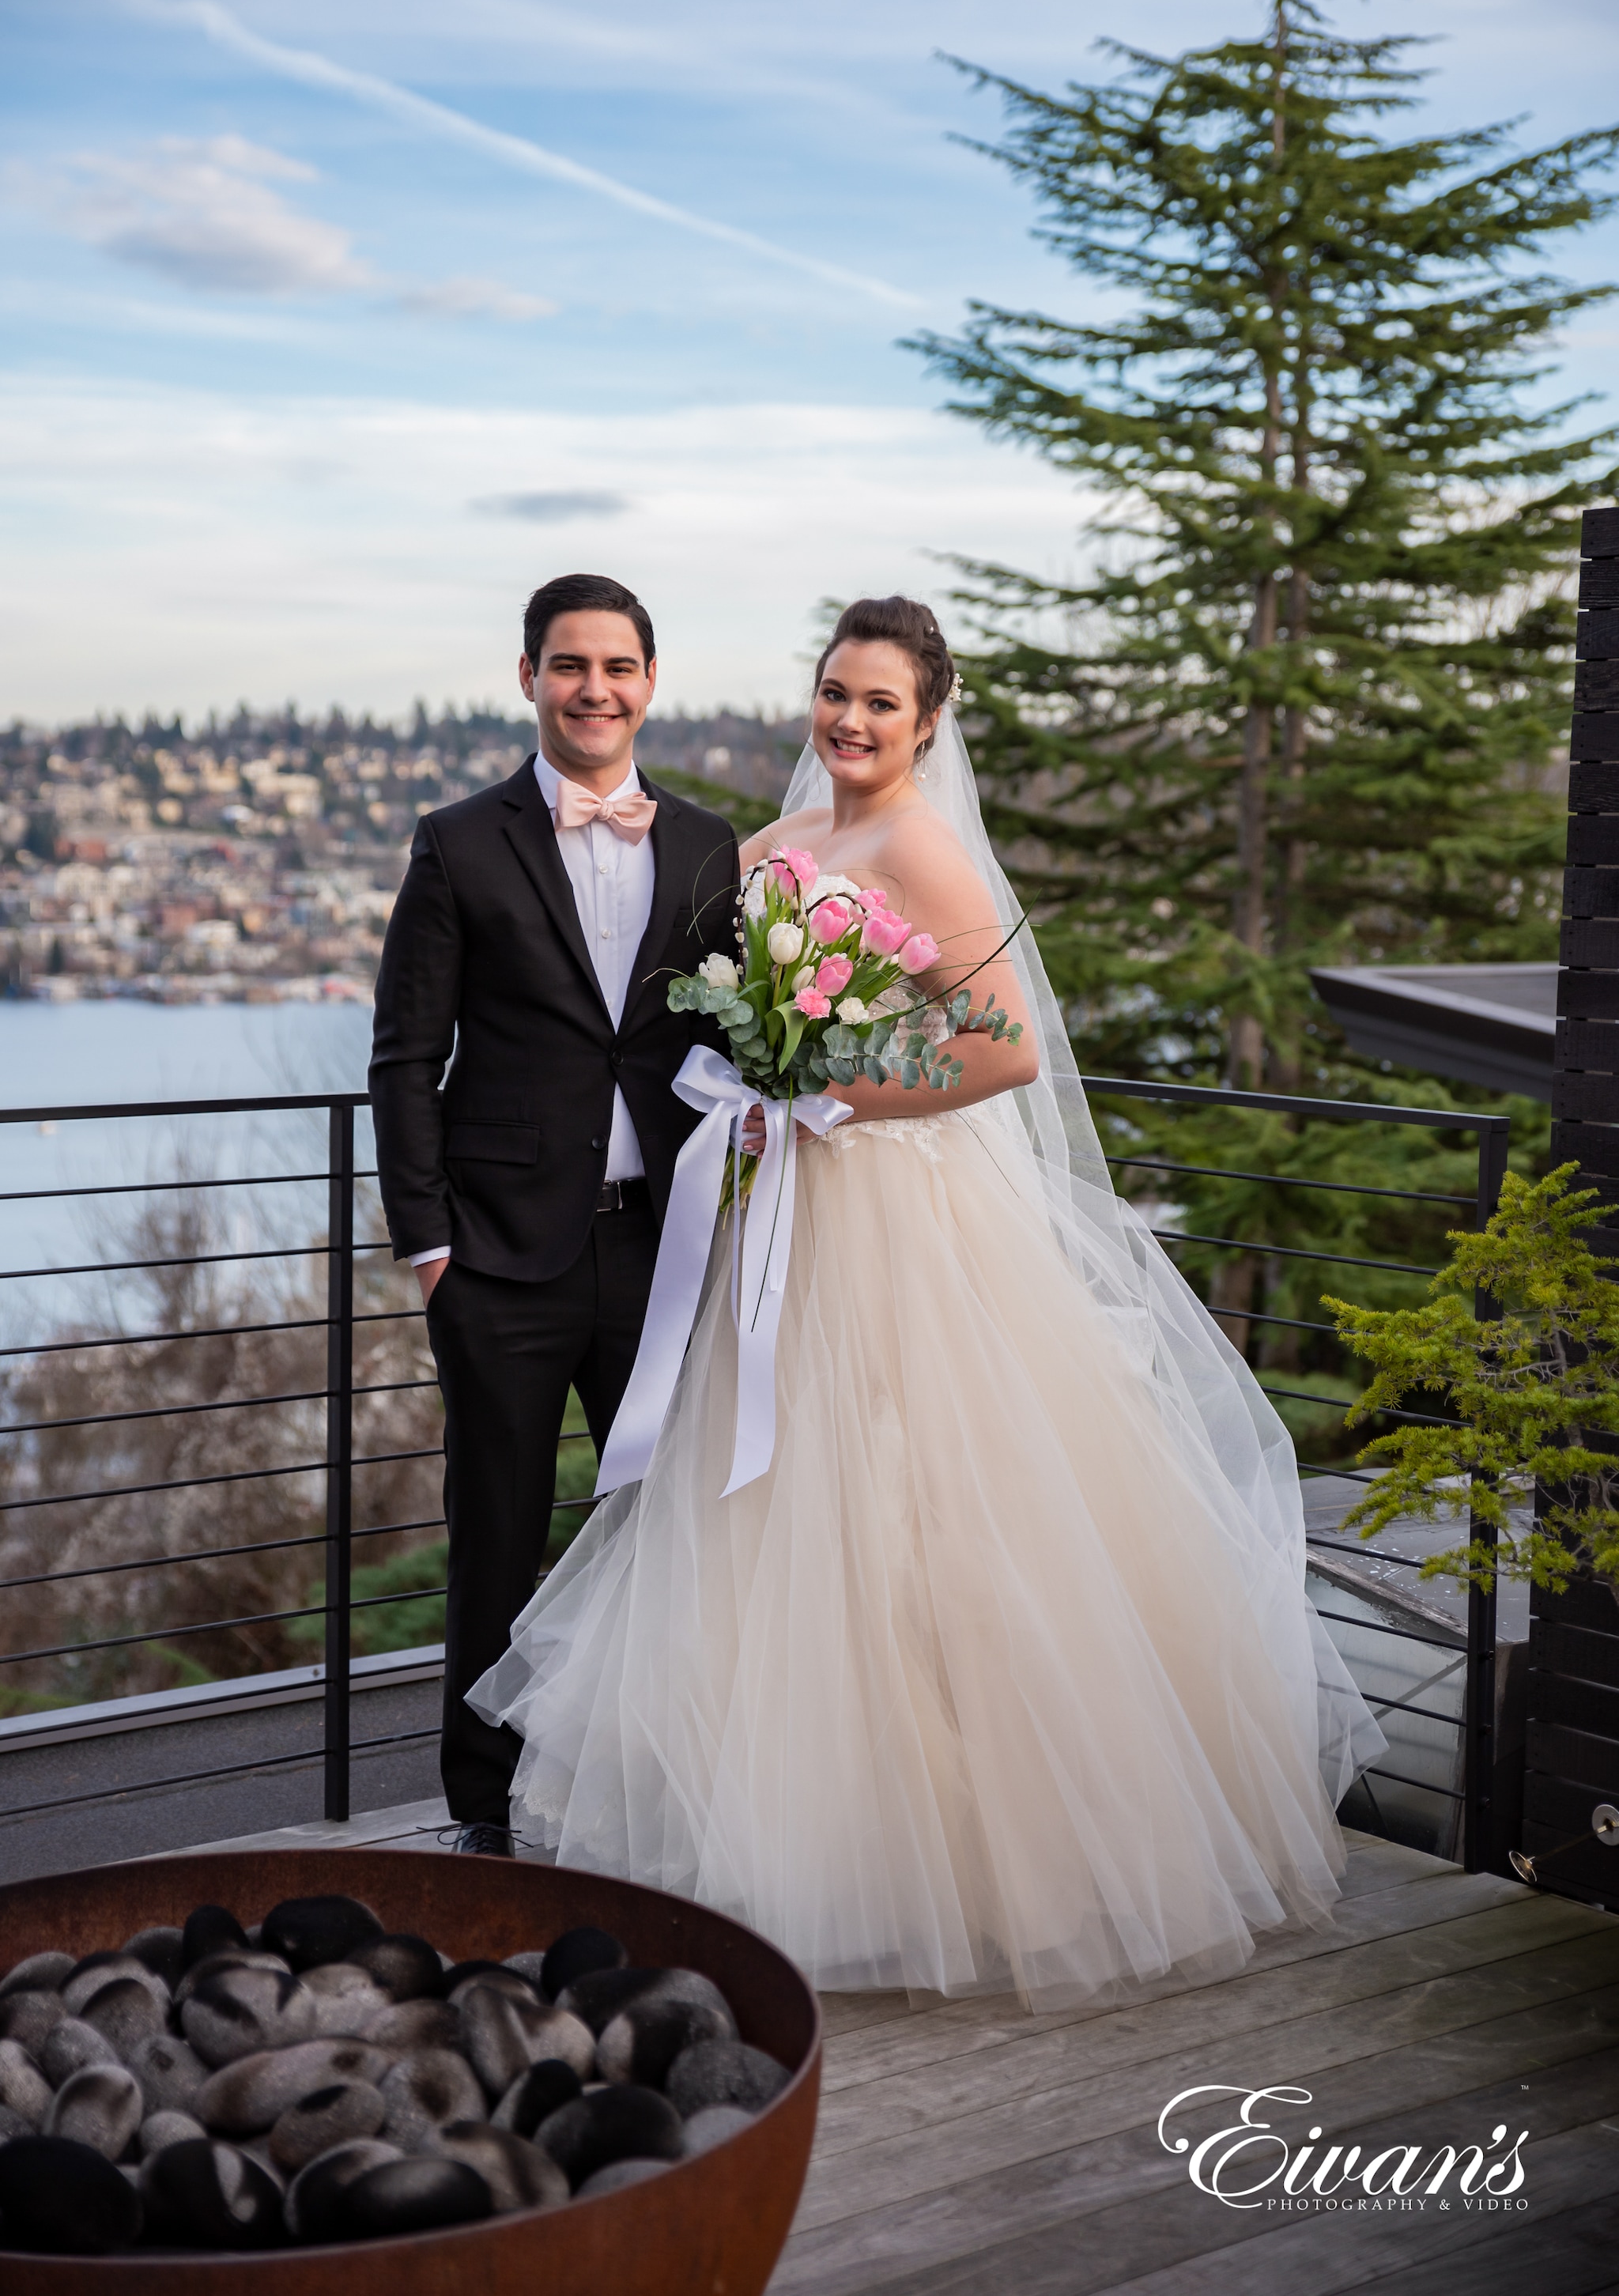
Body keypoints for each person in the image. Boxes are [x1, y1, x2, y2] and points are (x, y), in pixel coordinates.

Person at [471, 595, 1386, 2000]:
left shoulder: (920, 846)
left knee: (928, 1517)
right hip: (781, 1223)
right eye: (835, 693)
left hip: (904, 1219)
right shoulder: (774, 846)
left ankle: (980, 1859)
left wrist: (834, 1089)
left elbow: (1006, 1051)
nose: (848, 720)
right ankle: (802, 1841)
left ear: (929, 719)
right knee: (772, 1520)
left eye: (880, 703)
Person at [369, 572, 739, 1856]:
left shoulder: (707, 846)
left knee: (664, 1535)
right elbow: (404, 1057)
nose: (596, 690)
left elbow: (730, 1043)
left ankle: (647, 1792)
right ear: (528, 676)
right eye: (570, 666)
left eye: (619, 667)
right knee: (498, 1544)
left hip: (662, 1252)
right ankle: (488, 1812)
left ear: (650, 681)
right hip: (501, 1264)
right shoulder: (459, 841)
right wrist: (431, 1251)